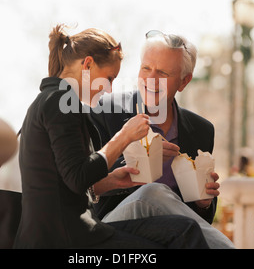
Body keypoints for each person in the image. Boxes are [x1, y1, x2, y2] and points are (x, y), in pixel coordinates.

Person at [13, 24, 209, 248]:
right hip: (65, 238)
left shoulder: (56, 101)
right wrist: (124, 137)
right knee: (176, 237)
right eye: (109, 78)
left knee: (183, 230)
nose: (108, 89)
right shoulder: (60, 103)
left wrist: (112, 181)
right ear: (87, 64)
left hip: (69, 232)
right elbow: (77, 177)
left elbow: (66, 182)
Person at [89, 30, 235, 248]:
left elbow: (195, 221)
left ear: (184, 81)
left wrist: (204, 202)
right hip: (112, 227)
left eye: (163, 73)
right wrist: (139, 161)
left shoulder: (201, 130)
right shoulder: (104, 111)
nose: (151, 79)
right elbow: (82, 182)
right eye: (146, 68)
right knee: (153, 191)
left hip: (170, 234)